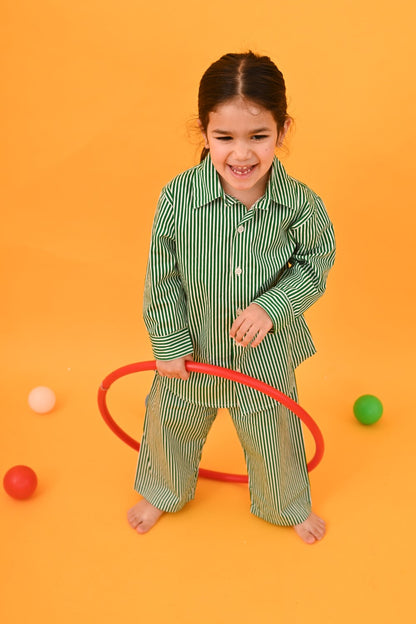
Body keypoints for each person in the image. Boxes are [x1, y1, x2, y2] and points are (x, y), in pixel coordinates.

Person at [128, 52, 335, 544]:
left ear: (281, 130)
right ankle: (163, 490)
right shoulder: (177, 198)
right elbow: (162, 279)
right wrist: (169, 343)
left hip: (264, 359)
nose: (241, 154)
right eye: (225, 138)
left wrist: (272, 306)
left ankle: (285, 503)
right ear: (204, 132)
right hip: (191, 354)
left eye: (257, 137)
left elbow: (316, 264)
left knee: (274, 432)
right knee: (170, 423)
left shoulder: (301, 204)